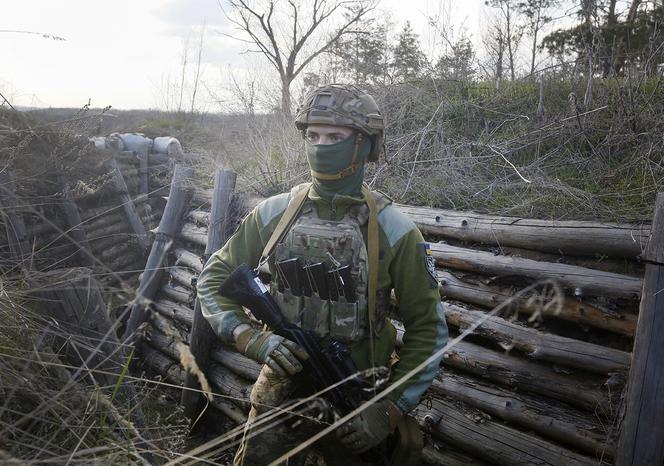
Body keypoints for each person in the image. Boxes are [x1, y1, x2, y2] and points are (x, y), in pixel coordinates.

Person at [197, 84, 448, 465]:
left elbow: (428, 330)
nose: (320, 145)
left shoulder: (394, 230)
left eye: (334, 136)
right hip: (280, 393)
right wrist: (251, 340)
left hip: (357, 401)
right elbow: (213, 280)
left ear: (364, 144)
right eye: (312, 135)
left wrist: (387, 410)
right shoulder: (273, 214)